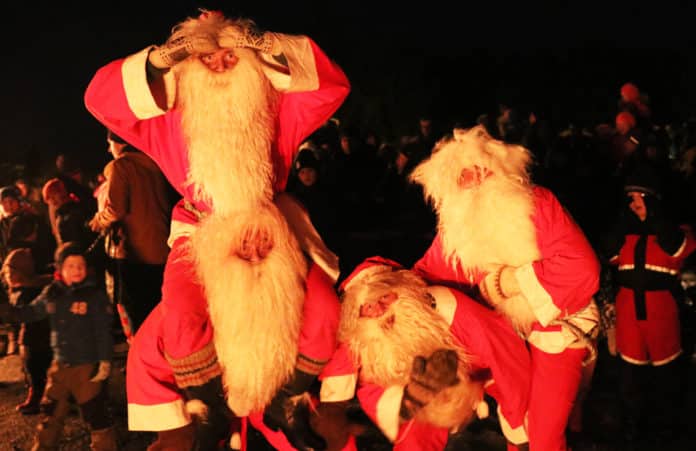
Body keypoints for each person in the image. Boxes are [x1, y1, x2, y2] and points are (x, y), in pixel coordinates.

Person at [83, 9, 349, 450]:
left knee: (322, 307)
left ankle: (288, 400)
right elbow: (98, 99)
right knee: (181, 312)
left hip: (271, 225)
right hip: (201, 231)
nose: (221, 64)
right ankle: (209, 408)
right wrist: (162, 58)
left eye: (231, 56)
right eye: (207, 58)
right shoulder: (167, 119)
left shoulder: (276, 109)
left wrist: (268, 45)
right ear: (189, 67)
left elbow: (331, 85)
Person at [410, 126, 601, 451]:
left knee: (543, 435)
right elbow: (426, 273)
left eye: (479, 170)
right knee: (516, 421)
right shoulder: (457, 231)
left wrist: (507, 282)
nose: (473, 181)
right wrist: (384, 285)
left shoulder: (537, 204)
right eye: (462, 176)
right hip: (508, 336)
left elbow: (583, 270)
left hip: (559, 328)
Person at [315, 257, 532, 450]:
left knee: (528, 418)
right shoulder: (363, 339)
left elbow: (506, 355)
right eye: (368, 308)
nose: (380, 310)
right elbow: (367, 387)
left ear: (402, 291)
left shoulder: (452, 308)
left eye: (384, 297)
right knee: (415, 433)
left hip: (485, 368)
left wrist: (519, 432)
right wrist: (408, 401)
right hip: (425, 389)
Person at [602, 164, 696, 446]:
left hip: (661, 314)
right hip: (629, 313)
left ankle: (667, 431)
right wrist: (623, 225)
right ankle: (633, 430)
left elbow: (679, 248)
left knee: (666, 379)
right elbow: (609, 253)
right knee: (630, 379)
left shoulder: (675, 232)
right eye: (630, 198)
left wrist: (654, 217)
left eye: (640, 197)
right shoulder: (626, 234)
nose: (634, 204)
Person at [0, 242, 116, 450]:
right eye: (70, 266)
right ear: (60, 268)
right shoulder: (52, 293)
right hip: (60, 365)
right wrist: (8, 310)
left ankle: (104, 447)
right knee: (51, 410)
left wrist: (105, 361)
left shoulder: (94, 297)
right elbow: (30, 312)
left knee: (95, 413)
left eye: (80, 266)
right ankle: (43, 446)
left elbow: (102, 332)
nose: (76, 270)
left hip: (86, 367)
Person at [88, 129, 172, 335]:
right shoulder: (154, 164)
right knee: (160, 308)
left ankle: (144, 353)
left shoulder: (122, 166)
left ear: (119, 142)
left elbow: (116, 209)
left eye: (110, 144)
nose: (109, 150)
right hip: (163, 248)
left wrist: (98, 220)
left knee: (139, 313)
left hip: (136, 252)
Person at [1, 248, 53, 415]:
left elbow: (27, 314)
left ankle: (37, 396)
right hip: (31, 337)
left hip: (37, 338)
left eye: (11, 271)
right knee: (32, 367)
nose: (7, 275)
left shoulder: (31, 291)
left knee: (34, 366)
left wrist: (9, 312)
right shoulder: (18, 290)